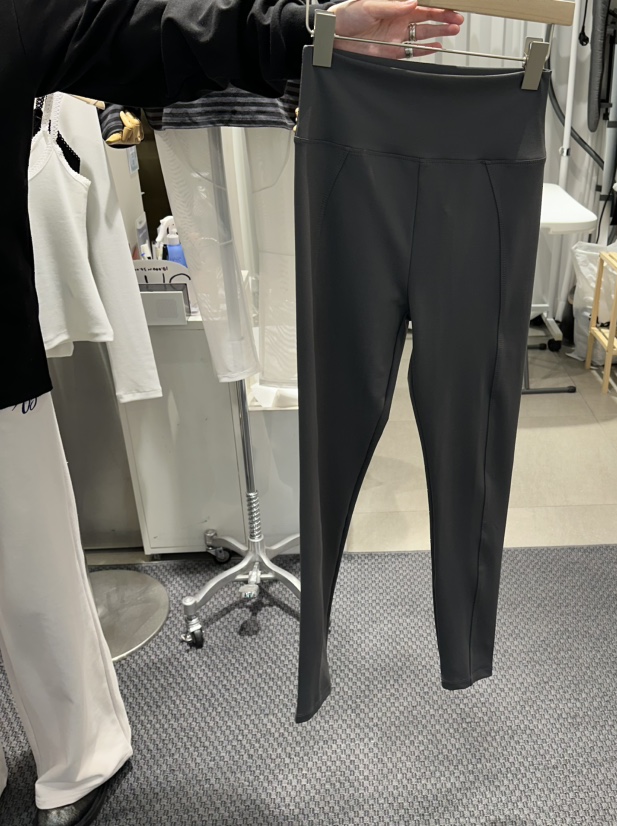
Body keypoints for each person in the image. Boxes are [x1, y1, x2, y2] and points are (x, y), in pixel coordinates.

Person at [0, 2, 462, 825]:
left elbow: (136, 29)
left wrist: (310, 30)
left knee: (29, 565)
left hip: (291, 117)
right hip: (204, 136)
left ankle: (84, 753)